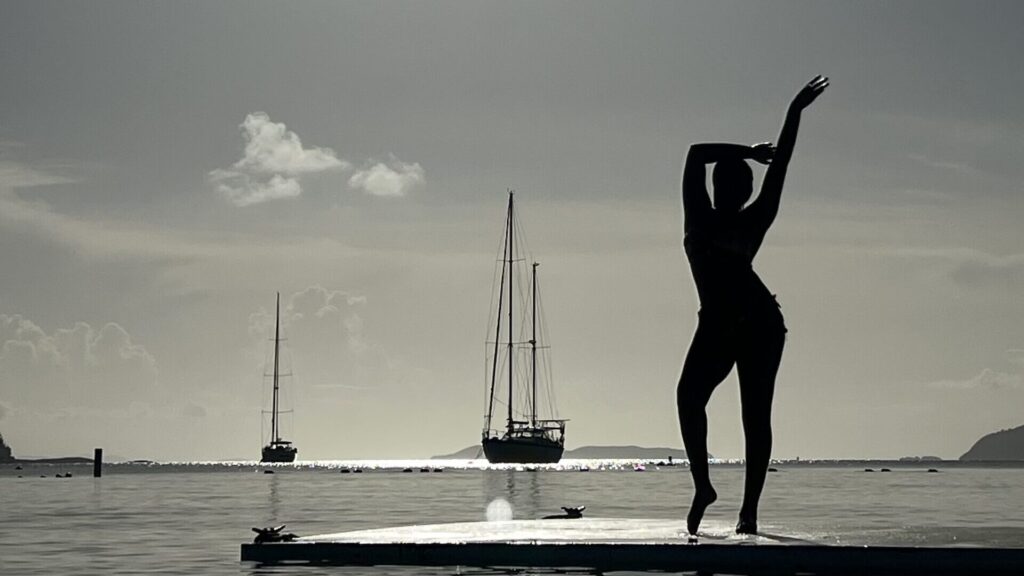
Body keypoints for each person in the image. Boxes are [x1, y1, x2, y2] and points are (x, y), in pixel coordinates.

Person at [678, 76, 829, 535]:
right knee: (688, 397)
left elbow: (781, 168)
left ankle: (749, 512)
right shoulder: (698, 214)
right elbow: (694, 154)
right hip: (716, 324)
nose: (732, 192)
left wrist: (794, 113)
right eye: (726, 183)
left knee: (754, 415)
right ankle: (703, 487)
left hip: (760, 325)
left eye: (740, 186)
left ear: (745, 192)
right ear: (716, 188)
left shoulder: (754, 220)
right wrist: (746, 149)